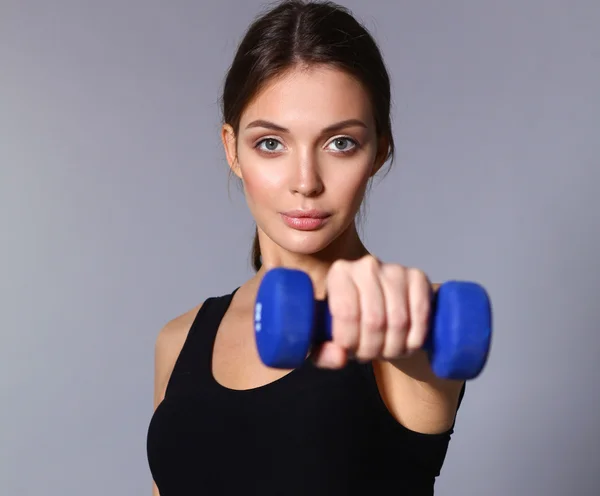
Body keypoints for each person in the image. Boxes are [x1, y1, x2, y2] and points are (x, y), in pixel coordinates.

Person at [146, 1, 467, 494]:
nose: (305, 183)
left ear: (379, 149)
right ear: (232, 149)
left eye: (340, 143)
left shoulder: (419, 319)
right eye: (271, 144)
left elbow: (427, 348)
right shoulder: (179, 338)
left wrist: (410, 323)